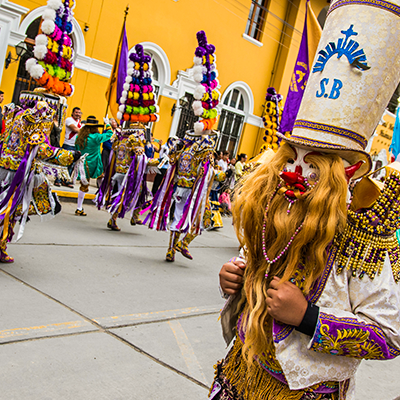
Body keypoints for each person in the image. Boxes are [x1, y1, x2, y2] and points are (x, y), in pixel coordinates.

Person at [210, 4, 400, 400]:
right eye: (290, 158)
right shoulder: (276, 212)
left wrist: (308, 318)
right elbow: (255, 266)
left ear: (344, 175)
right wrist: (237, 278)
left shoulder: (364, 238)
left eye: (311, 165)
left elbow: (390, 337)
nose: (293, 173)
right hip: (237, 374)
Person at [0, 99, 79, 263]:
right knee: (10, 211)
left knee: (8, 208)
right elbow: (44, 150)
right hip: (17, 175)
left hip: (4, 168)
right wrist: (71, 156)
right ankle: (1, 248)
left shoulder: (16, 116)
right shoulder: (34, 123)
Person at [95, 123, 148, 231]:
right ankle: (134, 216)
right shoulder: (135, 140)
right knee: (139, 191)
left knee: (118, 196)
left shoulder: (121, 138)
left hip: (118, 171)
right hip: (129, 174)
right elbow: (140, 159)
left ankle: (114, 219)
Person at [74, 116, 112, 216]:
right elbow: (109, 134)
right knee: (101, 179)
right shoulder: (96, 137)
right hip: (95, 163)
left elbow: (77, 148)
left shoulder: (80, 137)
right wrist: (108, 124)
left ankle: (79, 207)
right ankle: (101, 198)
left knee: (84, 185)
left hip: (83, 163)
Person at [56, 106, 82, 187]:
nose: (78, 114)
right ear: (73, 113)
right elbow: (75, 129)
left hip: (76, 146)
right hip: (68, 144)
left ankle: (66, 180)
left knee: (72, 165)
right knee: (63, 163)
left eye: (79, 113)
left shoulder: (81, 123)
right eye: (76, 112)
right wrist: (84, 130)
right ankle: (58, 180)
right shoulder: (69, 120)